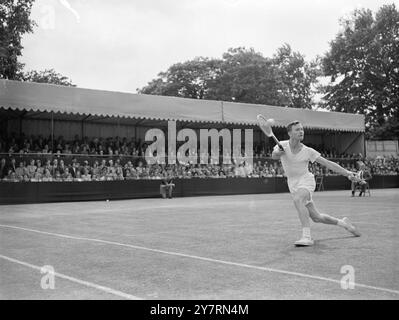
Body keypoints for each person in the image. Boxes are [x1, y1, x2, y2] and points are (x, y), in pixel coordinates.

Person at [271, 121, 361, 246]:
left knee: (298, 200)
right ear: (289, 133)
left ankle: (306, 237)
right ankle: (344, 223)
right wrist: (278, 153)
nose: (301, 132)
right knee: (316, 217)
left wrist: (347, 173)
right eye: (297, 130)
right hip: (293, 184)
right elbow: (274, 156)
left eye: (302, 129)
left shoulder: (308, 151)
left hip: (306, 181)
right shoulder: (281, 145)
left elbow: (328, 163)